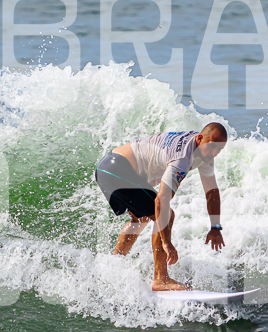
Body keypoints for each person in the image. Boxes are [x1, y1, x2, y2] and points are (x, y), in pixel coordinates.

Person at [94, 123, 228, 291]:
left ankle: (114, 267)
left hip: (108, 167)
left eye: (219, 149)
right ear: (200, 138)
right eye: (212, 147)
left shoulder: (202, 151)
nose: (214, 153)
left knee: (141, 218)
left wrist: (215, 227)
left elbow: (212, 192)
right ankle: (160, 278)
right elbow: (161, 201)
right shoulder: (182, 158)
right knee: (166, 214)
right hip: (116, 168)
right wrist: (167, 243)